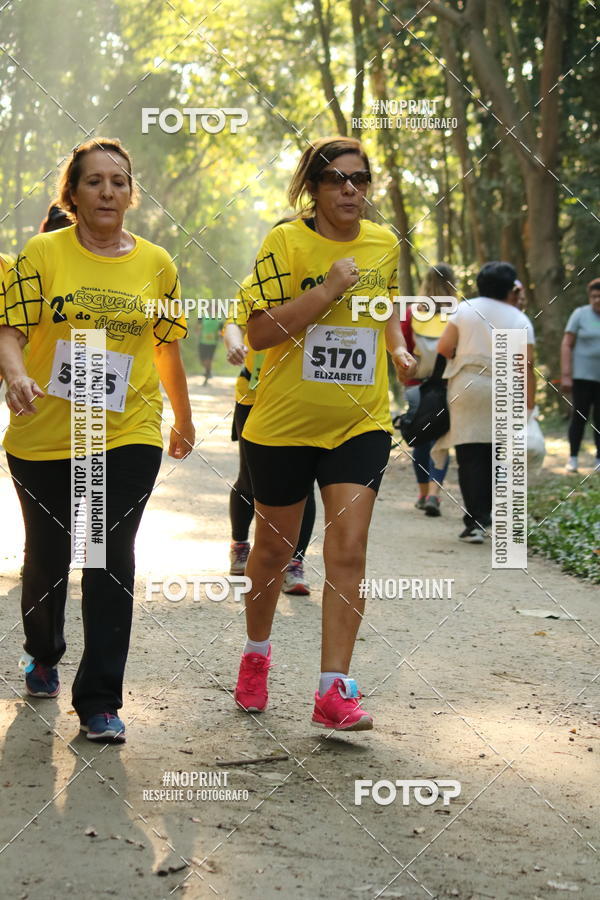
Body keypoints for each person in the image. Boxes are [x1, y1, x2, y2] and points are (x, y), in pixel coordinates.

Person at [0, 138, 194, 743]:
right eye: (94, 182)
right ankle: (43, 650)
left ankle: (100, 700)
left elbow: (166, 347)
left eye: (119, 181)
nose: (108, 191)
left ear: (131, 193)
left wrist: (183, 418)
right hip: (45, 432)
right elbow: (9, 330)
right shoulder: (42, 252)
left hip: (126, 430)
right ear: (73, 194)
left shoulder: (157, 263)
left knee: (108, 552)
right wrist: (16, 374)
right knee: (49, 555)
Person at [233, 136, 416, 731]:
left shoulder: (384, 243)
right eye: (337, 179)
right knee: (273, 551)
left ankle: (332, 692)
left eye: (359, 179)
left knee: (348, 551)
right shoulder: (286, 242)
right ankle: (256, 655)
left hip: (359, 422)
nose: (350, 190)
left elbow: (384, 307)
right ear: (313, 187)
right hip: (283, 424)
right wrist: (327, 288)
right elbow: (259, 333)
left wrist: (397, 347)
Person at [223, 280, 316, 594]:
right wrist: (235, 345)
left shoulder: (316, 281)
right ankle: (240, 546)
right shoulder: (255, 284)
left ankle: (295, 563)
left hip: (301, 398)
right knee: (250, 478)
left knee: (304, 483)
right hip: (254, 396)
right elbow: (234, 323)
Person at [434, 261, 535, 543]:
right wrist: (530, 402)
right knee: (498, 454)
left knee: (469, 455)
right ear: (511, 288)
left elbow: (444, 347)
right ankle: (491, 515)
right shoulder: (520, 319)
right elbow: (525, 365)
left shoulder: (465, 309)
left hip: (467, 387)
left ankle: (475, 522)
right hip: (504, 389)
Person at [401, 263, 454, 516]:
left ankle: (422, 494)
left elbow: (401, 346)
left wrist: (405, 376)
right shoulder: (458, 314)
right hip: (447, 384)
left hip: (416, 383)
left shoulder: (412, 313)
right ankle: (434, 493)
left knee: (420, 438)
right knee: (441, 439)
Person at [560, 278, 600, 472]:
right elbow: (567, 344)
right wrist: (566, 375)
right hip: (582, 377)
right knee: (579, 416)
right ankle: (573, 457)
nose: (597, 300)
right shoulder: (580, 314)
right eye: (594, 296)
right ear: (589, 297)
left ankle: (599, 458)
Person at [198, 315, 222, 384]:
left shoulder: (219, 320)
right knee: (202, 360)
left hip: (212, 343)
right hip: (202, 342)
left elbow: (221, 332)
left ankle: (207, 373)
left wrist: (220, 336)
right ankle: (208, 371)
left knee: (209, 359)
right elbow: (198, 328)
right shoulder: (202, 318)